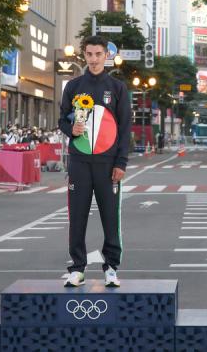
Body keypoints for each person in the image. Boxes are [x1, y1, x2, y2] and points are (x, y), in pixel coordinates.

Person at [58, 35, 131, 288]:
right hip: (79, 161)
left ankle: (111, 267)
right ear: (84, 56)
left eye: (98, 54)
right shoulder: (73, 86)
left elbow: (124, 128)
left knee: (111, 217)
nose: (94, 59)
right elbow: (62, 120)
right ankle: (77, 269)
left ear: (106, 56)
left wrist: (121, 163)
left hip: (108, 164)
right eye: (89, 54)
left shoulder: (118, 88)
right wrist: (71, 130)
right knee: (77, 216)